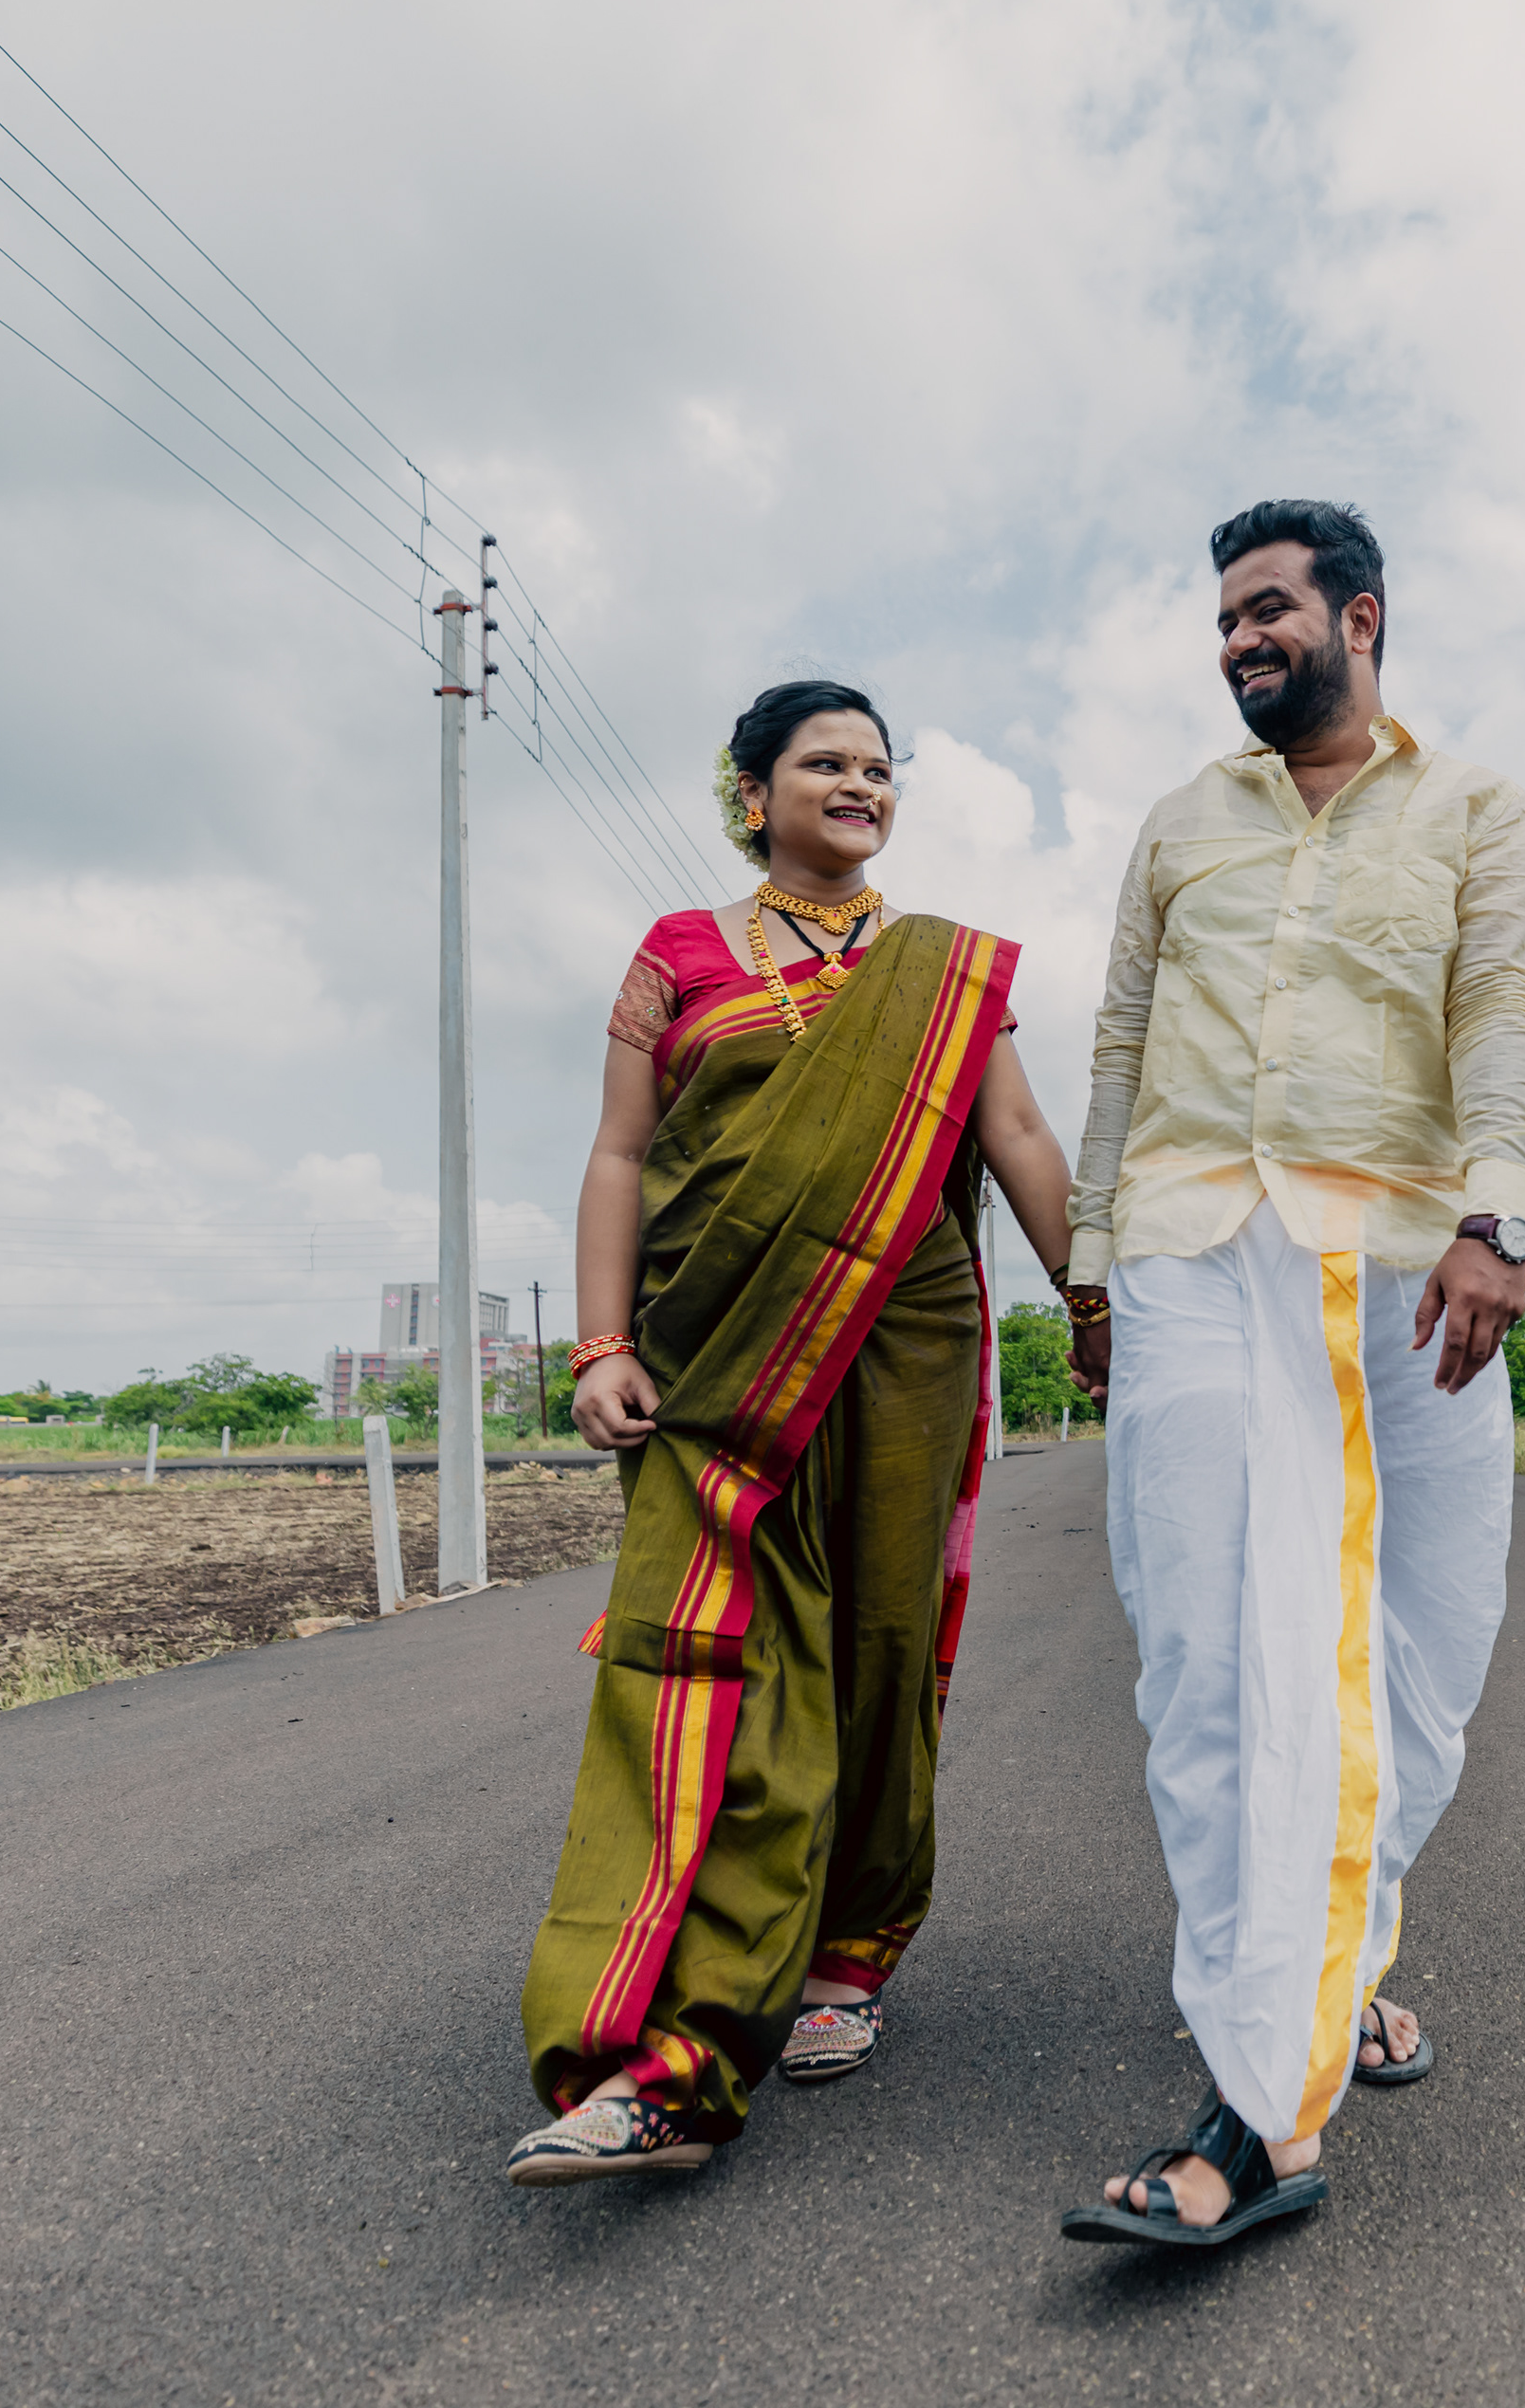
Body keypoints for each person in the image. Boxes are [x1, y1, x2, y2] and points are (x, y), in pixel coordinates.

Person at [1056, 502, 1525, 2245]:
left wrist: (1497, 1217)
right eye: (1223, 618)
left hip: (1412, 1265)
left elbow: (1504, 1015)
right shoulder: (1182, 822)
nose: (1239, 639)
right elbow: (1120, 1044)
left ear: (1362, 617)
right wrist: (1093, 1267)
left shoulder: (1479, 812)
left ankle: (1327, 1959)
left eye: (1268, 608)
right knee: (1210, 1663)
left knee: (1425, 1655)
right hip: (1195, 1251)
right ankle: (1262, 2105)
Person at [506, 679, 1077, 2186]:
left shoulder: (943, 970)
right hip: (718, 1356)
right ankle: (669, 2049)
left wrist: (1095, 1303)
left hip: (907, 1346)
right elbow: (621, 1153)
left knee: (883, 1646)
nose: (861, 784)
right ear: (752, 794)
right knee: (721, 1663)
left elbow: (1017, 1136)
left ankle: (849, 1950)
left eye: (879, 767)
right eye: (826, 762)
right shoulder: (680, 955)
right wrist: (600, 1344)